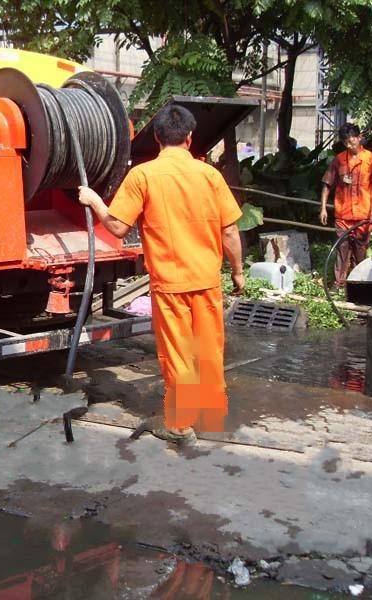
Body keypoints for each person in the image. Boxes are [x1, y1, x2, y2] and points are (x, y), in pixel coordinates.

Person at [78, 104, 244, 442]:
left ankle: (181, 423)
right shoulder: (210, 175)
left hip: (170, 283)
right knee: (209, 348)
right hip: (206, 280)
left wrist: (94, 200)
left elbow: (118, 227)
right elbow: (229, 232)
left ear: (156, 137)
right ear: (190, 137)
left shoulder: (143, 175)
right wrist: (238, 272)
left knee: (178, 351)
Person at [320, 123, 372, 286]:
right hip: (343, 214)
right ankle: (339, 283)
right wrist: (323, 208)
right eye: (346, 142)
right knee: (342, 250)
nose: (350, 145)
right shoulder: (339, 160)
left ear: (359, 138)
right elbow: (327, 184)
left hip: (363, 214)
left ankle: (359, 283)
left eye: (352, 141)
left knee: (360, 251)